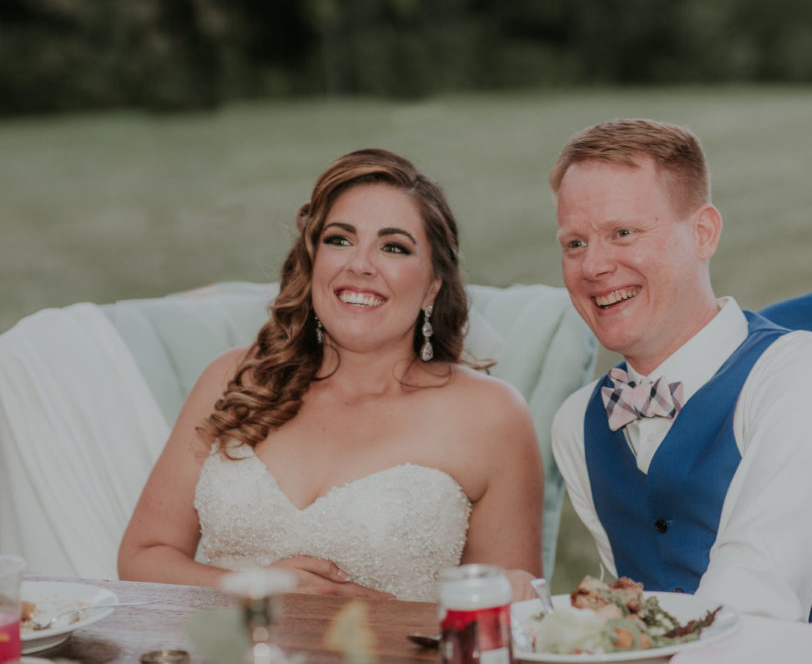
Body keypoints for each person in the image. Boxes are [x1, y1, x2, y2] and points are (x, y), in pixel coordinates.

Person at [549, 118, 812, 629]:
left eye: (623, 233)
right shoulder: (578, 424)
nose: (593, 266)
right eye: (575, 244)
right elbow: (641, 618)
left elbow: (751, 602)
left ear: (703, 233)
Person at [118, 149, 544, 601]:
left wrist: (380, 620)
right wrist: (256, 590)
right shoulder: (234, 379)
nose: (359, 264)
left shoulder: (490, 415)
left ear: (432, 287)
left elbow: (514, 614)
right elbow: (142, 557)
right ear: (313, 261)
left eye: (393, 247)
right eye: (339, 240)